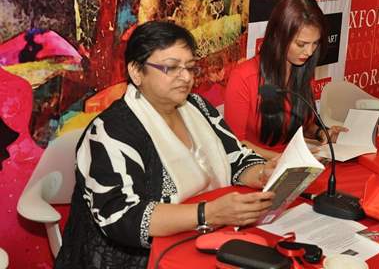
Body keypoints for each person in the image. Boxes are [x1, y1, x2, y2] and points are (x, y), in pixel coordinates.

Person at [55, 21, 276, 268]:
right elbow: (122, 217)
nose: (185, 77)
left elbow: (235, 157)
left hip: (207, 239)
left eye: (190, 68)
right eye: (171, 68)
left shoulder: (197, 107)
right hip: (135, 259)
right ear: (136, 72)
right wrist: (207, 214)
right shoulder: (111, 130)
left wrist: (262, 173)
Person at [224, 0, 346, 159]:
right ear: (278, 37)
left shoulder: (301, 69)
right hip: (254, 168)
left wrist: (321, 133)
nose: (309, 52)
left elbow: (299, 124)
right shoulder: (243, 77)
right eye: (301, 44)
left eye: (315, 43)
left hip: (293, 165)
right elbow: (235, 143)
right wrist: (281, 159)